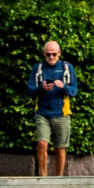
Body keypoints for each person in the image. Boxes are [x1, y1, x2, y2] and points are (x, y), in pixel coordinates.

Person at [27, 39, 78, 176]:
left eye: (54, 54)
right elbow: (30, 91)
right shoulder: (38, 68)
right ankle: (43, 178)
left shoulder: (67, 68)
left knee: (60, 148)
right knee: (42, 143)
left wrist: (64, 87)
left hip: (61, 113)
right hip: (42, 113)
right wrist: (41, 88)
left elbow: (74, 90)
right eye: (48, 54)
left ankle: (58, 179)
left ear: (59, 53)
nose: (51, 57)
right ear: (44, 54)